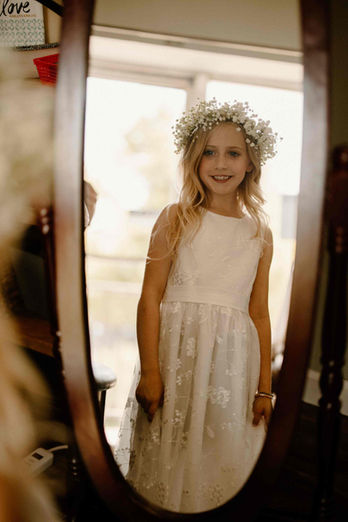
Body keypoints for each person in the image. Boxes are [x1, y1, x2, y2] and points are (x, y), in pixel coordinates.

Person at [115, 98, 279, 513]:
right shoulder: (176, 218)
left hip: (231, 369)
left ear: (249, 163)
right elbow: (150, 296)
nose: (220, 163)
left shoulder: (260, 233)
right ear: (193, 159)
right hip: (176, 359)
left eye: (232, 153)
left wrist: (265, 387)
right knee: (168, 456)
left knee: (218, 460)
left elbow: (258, 312)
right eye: (209, 151)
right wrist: (151, 371)